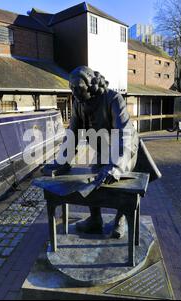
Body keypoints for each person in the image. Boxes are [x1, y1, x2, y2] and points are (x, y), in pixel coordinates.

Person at [57, 66, 139, 239]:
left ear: (91, 85)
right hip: (102, 146)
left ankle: (120, 219)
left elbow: (124, 133)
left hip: (125, 148)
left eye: (79, 88)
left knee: (121, 181)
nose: (75, 93)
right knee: (95, 175)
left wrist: (116, 166)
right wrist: (60, 162)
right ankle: (95, 219)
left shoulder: (113, 99)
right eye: (72, 89)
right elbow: (72, 134)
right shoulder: (78, 103)